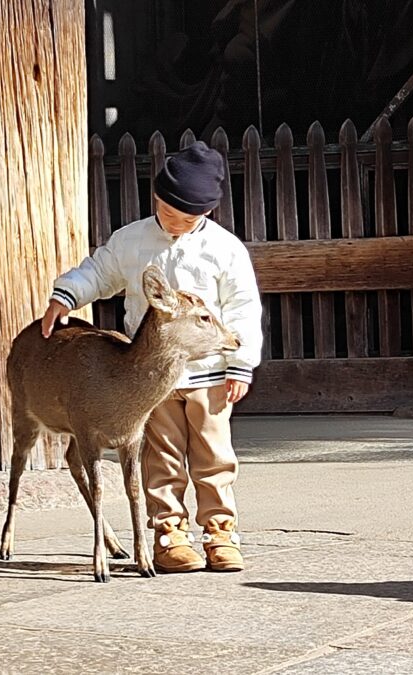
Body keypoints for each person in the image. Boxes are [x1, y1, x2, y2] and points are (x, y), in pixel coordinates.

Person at [41, 141, 262, 573]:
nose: (175, 223)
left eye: (188, 218)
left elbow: (243, 307)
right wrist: (65, 296)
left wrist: (241, 364)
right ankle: (169, 533)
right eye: (168, 211)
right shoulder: (133, 240)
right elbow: (99, 271)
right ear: (156, 198)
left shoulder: (225, 249)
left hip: (208, 374)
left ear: (208, 213)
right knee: (158, 456)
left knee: (213, 455)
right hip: (148, 377)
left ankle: (220, 532)